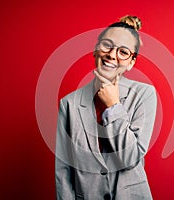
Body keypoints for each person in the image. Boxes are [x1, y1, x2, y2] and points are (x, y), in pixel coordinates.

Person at [55, 15, 157, 200]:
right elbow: (63, 172)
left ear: (131, 62)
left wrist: (113, 106)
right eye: (107, 45)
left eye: (123, 52)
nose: (112, 55)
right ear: (96, 50)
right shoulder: (68, 104)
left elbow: (130, 158)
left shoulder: (144, 95)